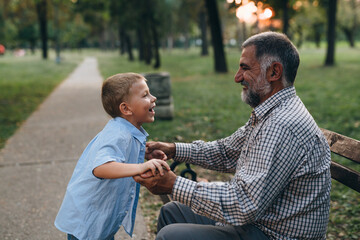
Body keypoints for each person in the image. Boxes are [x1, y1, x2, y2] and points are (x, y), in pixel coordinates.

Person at [134, 32, 331, 240]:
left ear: (274, 72)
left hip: (274, 234)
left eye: (245, 68)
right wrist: (174, 149)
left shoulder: (282, 125)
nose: (237, 77)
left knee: (171, 236)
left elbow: (244, 204)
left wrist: (174, 184)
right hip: (259, 223)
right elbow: (226, 152)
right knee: (171, 212)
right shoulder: (271, 112)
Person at [55, 73, 170, 240]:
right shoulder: (118, 134)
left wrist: (142, 154)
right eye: (145, 95)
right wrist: (140, 167)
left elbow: (119, 155)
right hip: (88, 221)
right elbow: (101, 167)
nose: (153, 98)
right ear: (126, 109)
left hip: (100, 217)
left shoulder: (127, 132)